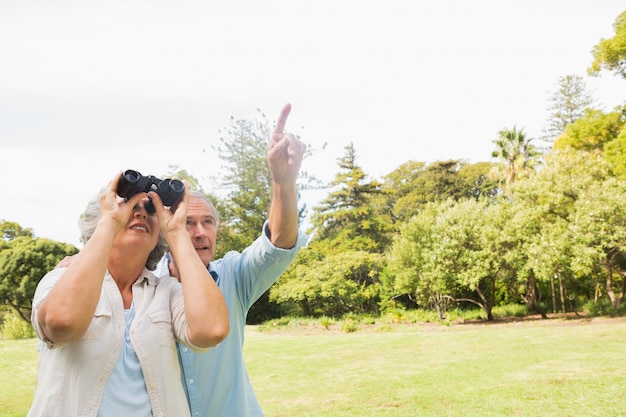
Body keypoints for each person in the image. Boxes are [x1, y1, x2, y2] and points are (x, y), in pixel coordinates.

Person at [28, 172, 229, 417]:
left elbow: (212, 330)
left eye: (151, 209)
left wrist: (176, 232)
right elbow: (62, 323)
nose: (140, 212)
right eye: (129, 203)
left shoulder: (166, 292)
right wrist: (110, 221)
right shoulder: (60, 278)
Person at [162, 102, 308, 417]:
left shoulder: (234, 276)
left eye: (208, 222)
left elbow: (279, 241)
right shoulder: (146, 286)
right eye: (189, 222)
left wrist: (283, 181)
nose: (200, 232)